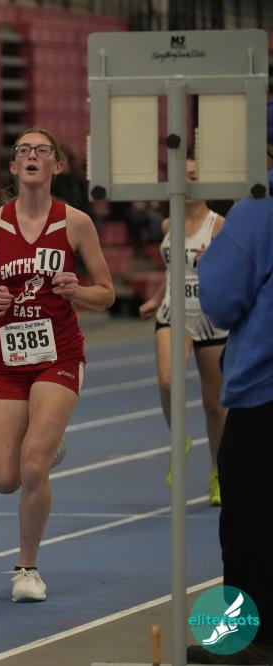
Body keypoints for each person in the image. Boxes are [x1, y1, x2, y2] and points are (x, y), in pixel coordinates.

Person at [0, 128, 114, 602]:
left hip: (59, 356)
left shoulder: (75, 223)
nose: (32, 155)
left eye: (42, 150)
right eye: (23, 150)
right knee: (4, 478)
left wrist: (78, 291)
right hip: (6, 360)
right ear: (14, 166)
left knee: (32, 465)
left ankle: (26, 569)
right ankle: (48, 444)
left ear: (57, 165)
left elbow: (107, 293)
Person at [188, 104, 273, 666]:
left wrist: (214, 259)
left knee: (251, 527)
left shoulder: (257, 209)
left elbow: (218, 301)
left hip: (265, 395)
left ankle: (245, 642)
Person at [137, 159, 226, 506]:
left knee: (214, 406)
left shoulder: (218, 225)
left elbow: (230, 272)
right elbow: (173, 271)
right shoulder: (168, 223)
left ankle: (218, 472)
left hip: (209, 316)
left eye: (193, 176)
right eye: (182, 175)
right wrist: (156, 298)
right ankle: (180, 440)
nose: (187, 182)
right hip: (172, 313)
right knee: (167, 380)